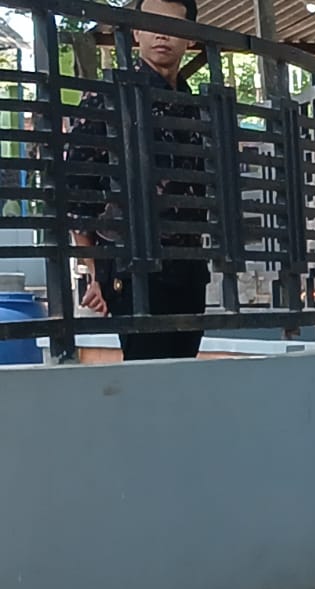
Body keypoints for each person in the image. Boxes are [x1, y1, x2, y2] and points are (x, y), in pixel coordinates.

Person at [65, 0, 210, 360]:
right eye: (152, 23)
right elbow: (77, 190)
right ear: (136, 32)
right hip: (132, 269)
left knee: (183, 376)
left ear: (190, 38)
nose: (162, 33)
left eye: (173, 26)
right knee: (147, 378)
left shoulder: (197, 107)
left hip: (189, 267)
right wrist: (95, 270)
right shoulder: (111, 96)